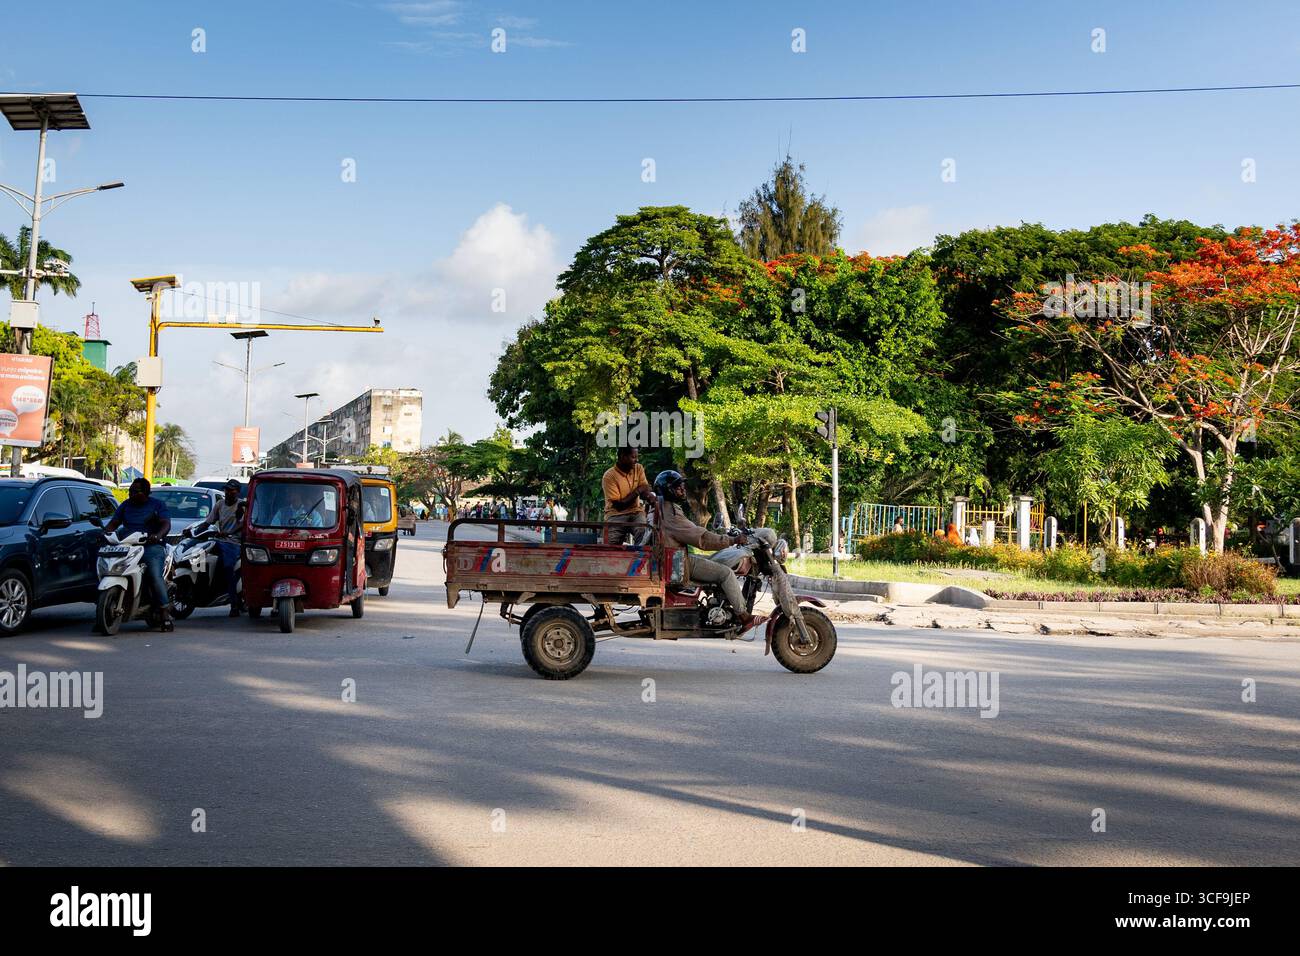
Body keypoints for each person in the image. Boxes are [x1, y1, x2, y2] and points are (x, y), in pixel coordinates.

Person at [652, 469, 767, 632]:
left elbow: (693, 531)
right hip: (677, 562)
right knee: (725, 573)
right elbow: (702, 539)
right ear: (668, 490)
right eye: (678, 487)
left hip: (671, 558)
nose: (683, 490)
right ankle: (744, 617)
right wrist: (732, 540)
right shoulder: (671, 513)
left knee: (710, 563)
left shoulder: (660, 507)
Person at [104, 478, 174, 632]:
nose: (131, 494)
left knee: (154, 575)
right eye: (130, 491)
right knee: (107, 568)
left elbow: (166, 524)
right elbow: (114, 523)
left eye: (135, 491)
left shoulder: (157, 505)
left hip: (151, 546)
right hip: (127, 545)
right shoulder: (126, 505)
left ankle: (164, 613)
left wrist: (157, 535)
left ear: (146, 493)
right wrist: (105, 532)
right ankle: (103, 613)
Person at [194, 479, 246, 616]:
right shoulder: (219, 504)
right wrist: (194, 532)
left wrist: (228, 533)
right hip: (218, 540)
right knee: (199, 557)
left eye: (231, 490)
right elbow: (208, 522)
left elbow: (242, 524)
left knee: (228, 568)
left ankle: (234, 604)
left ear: (237, 492)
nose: (228, 493)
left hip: (233, 542)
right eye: (227, 490)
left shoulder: (242, 505)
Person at [602, 445, 652, 544]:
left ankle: (639, 558)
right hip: (615, 514)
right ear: (622, 457)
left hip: (636, 512)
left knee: (644, 534)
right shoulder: (609, 476)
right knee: (610, 545)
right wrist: (638, 491)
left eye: (637, 457)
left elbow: (645, 489)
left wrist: (649, 495)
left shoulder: (638, 468)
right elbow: (619, 506)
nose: (636, 460)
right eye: (633, 457)